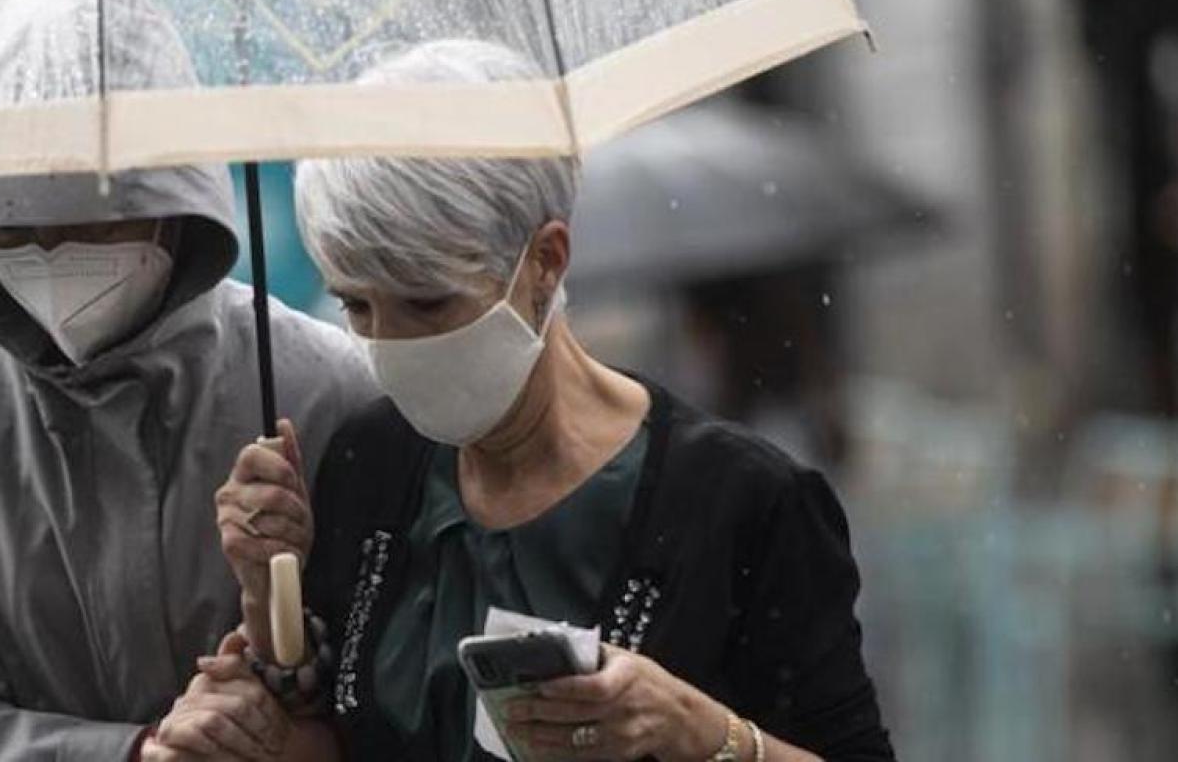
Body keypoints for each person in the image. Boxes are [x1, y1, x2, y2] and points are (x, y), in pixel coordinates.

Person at [207, 40, 895, 761]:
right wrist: (265, 602)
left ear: (544, 261)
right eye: (356, 307)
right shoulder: (369, 461)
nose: (392, 343)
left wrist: (697, 730)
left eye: (428, 303)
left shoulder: (742, 501)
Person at [0, 0, 378, 760]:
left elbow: (392, 693)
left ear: (170, 206)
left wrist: (276, 653)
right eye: (13, 228)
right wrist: (131, 753)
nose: (54, 255)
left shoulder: (320, 387)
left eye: (91, 223)